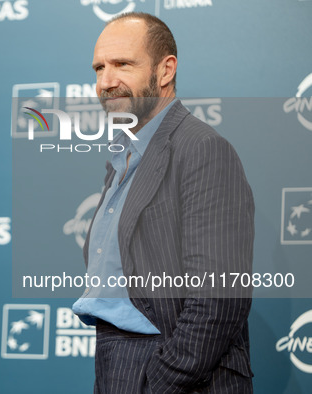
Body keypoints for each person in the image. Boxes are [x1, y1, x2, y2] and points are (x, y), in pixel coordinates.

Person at [71, 12, 255, 393]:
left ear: (165, 69)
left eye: (122, 64)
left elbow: (220, 298)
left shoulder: (201, 148)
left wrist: (160, 381)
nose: (106, 81)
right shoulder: (125, 156)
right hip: (114, 361)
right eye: (99, 68)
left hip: (173, 372)